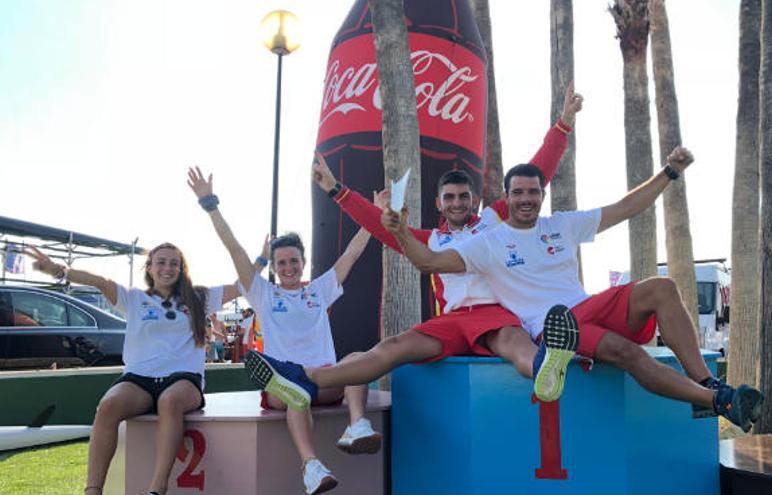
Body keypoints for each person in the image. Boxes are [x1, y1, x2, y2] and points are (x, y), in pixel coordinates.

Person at [241, 84, 583, 407]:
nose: (458, 203)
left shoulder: (494, 221)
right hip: (450, 321)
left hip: (495, 315)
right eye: (450, 198)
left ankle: (545, 374)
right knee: (391, 348)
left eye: (464, 197)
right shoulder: (429, 240)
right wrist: (335, 188)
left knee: (515, 344)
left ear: (476, 200)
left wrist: (563, 126)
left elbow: (538, 171)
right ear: (439, 203)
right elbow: (377, 223)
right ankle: (303, 378)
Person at [379, 148, 765, 432]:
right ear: (506, 197)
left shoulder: (561, 225)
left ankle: (705, 382)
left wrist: (669, 172)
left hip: (585, 307)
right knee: (625, 352)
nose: (526, 199)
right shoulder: (488, 242)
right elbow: (429, 263)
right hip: (553, 328)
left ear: (541, 195)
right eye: (518, 193)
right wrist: (396, 229)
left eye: (533, 192)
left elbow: (625, 208)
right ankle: (719, 402)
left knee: (662, 287)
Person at [188, 167, 380, 495]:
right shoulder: (263, 293)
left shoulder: (318, 290)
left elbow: (352, 253)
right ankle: (312, 467)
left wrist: (374, 214)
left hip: (323, 380)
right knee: (295, 394)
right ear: (273, 267)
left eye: (294, 261)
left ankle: (356, 425)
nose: (289, 268)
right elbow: (234, 248)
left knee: (358, 360)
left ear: (303, 263)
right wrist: (210, 204)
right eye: (282, 263)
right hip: (284, 382)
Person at [24, 244, 239, 495]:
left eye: (174, 263)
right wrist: (60, 271)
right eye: (161, 262)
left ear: (181, 269)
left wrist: (261, 260)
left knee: (169, 402)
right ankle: (93, 490)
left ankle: (157, 488)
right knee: (108, 406)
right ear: (149, 267)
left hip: (184, 379)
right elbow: (101, 282)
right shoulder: (135, 298)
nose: (167, 268)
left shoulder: (200, 297)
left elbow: (243, 285)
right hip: (139, 379)